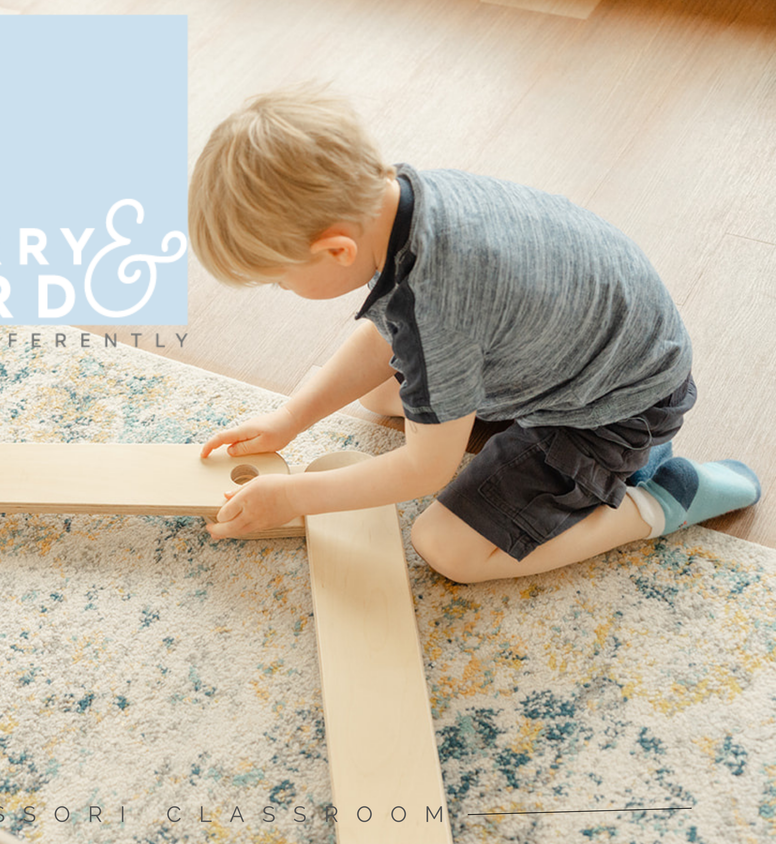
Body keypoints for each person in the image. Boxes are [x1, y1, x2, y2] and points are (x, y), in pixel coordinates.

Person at [191, 86, 760, 583]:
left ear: (337, 250)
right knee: (381, 391)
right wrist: (291, 419)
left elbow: (423, 470)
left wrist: (291, 498)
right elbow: (394, 331)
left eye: (281, 283)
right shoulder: (408, 200)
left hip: (617, 412)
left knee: (447, 548)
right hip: (604, 348)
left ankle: (658, 501)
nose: (284, 291)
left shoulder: (436, 308)